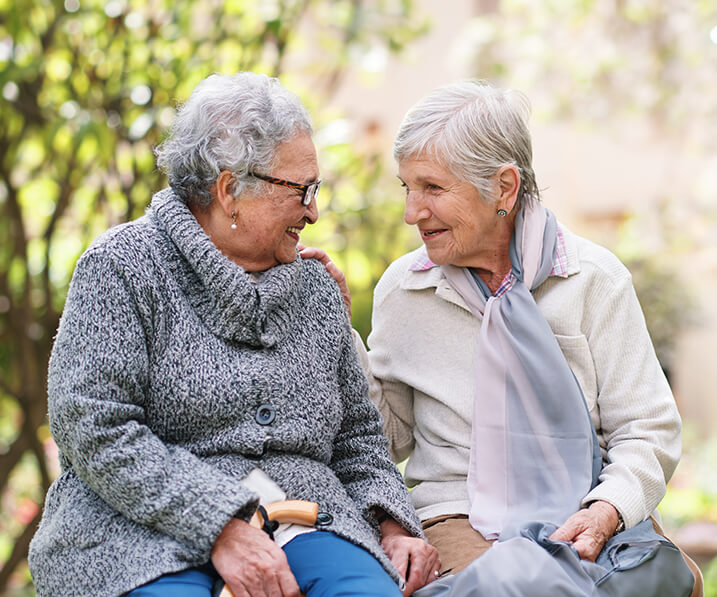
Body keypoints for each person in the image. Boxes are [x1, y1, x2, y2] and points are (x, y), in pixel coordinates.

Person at [28, 72, 439, 597]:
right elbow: (95, 427)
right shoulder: (121, 268)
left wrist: (393, 524)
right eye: (302, 191)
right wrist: (219, 523)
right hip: (138, 528)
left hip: (308, 516)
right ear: (230, 191)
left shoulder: (314, 288)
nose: (313, 211)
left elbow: (358, 438)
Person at [303, 80, 702, 596]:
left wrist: (607, 510)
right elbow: (386, 438)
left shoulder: (593, 280)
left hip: (585, 511)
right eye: (408, 187)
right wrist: (338, 332)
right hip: (459, 518)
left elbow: (647, 429)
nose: (411, 212)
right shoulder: (405, 290)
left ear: (505, 188)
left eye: (433, 188)